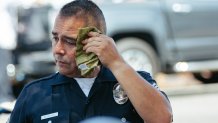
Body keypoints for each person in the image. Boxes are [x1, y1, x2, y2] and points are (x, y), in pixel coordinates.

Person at [9, 0, 172, 123]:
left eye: (70, 41)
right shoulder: (34, 93)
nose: (58, 49)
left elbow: (163, 118)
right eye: (55, 38)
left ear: (96, 40)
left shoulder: (133, 83)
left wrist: (117, 63)